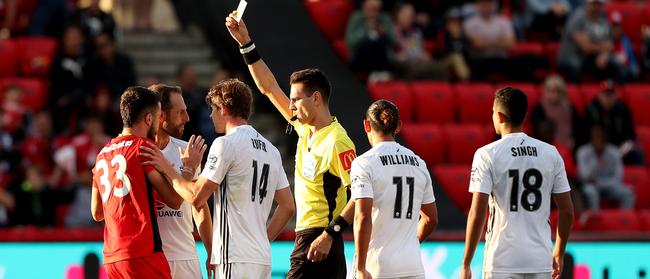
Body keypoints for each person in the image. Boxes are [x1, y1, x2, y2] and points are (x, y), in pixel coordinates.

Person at [225, 14, 357, 279]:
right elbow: (268, 88)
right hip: (309, 237)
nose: (292, 105)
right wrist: (245, 43)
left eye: (297, 99)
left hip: (320, 237)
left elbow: (360, 196)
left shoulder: (337, 141)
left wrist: (329, 235)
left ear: (316, 98)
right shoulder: (303, 127)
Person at [140, 79, 295, 279]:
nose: (211, 116)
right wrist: (262, 240)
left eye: (212, 110)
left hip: (233, 256)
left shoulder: (225, 144)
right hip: (261, 258)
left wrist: (169, 169)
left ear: (222, 108)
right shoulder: (271, 150)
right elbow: (288, 206)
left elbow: (196, 197)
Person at [461, 87, 574, 279]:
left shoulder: (487, 154)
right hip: (540, 260)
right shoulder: (551, 153)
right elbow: (567, 210)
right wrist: (559, 253)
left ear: (499, 116)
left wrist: (466, 262)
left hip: (501, 260)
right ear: (524, 115)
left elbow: (477, 213)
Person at [90, 86, 183, 279]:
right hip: (143, 253)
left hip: (112, 257)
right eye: (157, 118)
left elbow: (97, 212)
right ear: (149, 119)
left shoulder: (102, 153)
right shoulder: (144, 147)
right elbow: (175, 201)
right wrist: (187, 169)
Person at [351, 100, 438, 279]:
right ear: (398, 126)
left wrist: (360, 267)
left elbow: (363, 216)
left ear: (367, 125)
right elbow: (431, 219)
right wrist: (411, 243)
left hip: (377, 266)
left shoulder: (364, 163)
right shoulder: (419, 163)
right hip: (413, 265)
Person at [148, 84, 213, 278]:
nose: (187, 118)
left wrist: (210, 251)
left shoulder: (187, 151)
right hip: (150, 257)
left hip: (186, 257)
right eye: (181, 112)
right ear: (161, 116)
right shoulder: (137, 151)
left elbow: (199, 205)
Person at [557, 0, 622, 83]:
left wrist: (604, 55)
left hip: (589, 58)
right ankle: (575, 93)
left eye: (599, 4)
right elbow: (586, 47)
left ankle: (610, 92)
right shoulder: (578, 17)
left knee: (614, 64)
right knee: (575, 66)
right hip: (571, 57)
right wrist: (604, 48)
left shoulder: (602, 18)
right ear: (587, 4)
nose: (596, 7)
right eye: (594, 4)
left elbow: (609, 42)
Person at [577, 126, 634, 211]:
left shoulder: (614, 152)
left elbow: (618, 177)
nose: (598, 140)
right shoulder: (583, 152)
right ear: (591, 139)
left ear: (605, 138)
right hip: (592, 186)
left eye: (601, 137)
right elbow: (584, 176)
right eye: (595, 137)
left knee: (628, 192)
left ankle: (623, 220)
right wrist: (596, 158)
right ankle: (596, 221)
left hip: (609, 184)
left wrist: (603, 184)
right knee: (591, 191)